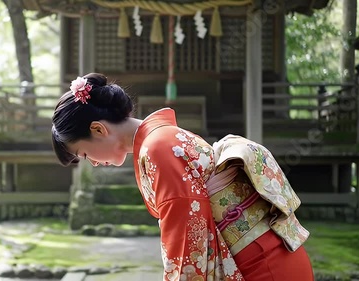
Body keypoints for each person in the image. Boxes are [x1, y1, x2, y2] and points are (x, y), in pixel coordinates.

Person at [51, 73, 314, 281]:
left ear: (98, 129)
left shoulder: (158, 148)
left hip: (258, 264)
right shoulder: (160, 141)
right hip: (260, 253)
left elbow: (188, 241)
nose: (94, 163)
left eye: (85, 155)